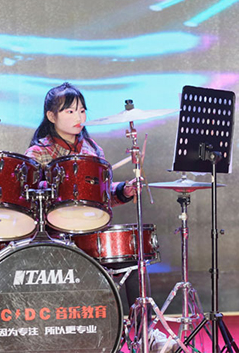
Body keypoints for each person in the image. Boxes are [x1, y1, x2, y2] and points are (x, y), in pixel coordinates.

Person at [24, 82, 176, 353]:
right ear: (51, 116)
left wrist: (124, 190)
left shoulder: (92, 149)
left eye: (82, 111)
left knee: (133, 259)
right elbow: (30, 198)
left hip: (92, 233)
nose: (79, 117)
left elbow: (103, 196)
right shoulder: (38, 153)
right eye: (70, 111)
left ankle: (146, 335)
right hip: (56, 238)